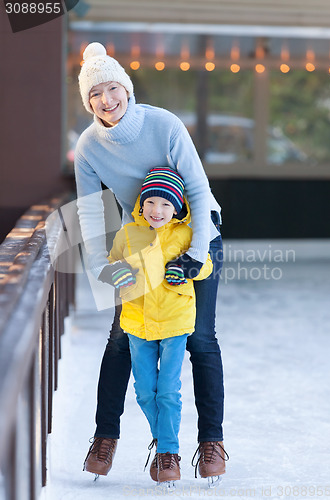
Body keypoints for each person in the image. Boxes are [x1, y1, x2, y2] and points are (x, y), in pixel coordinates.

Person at [75, 41, 228, 484]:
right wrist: (107, 268)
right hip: (139, 242)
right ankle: (105, 436)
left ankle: (211, 441)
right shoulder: (88, 146)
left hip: (197, 234)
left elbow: (198, 193)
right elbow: (90, 213)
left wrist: (195, 254)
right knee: (122, 337)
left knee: (199, 338)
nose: (107, 100)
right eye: (95, 94)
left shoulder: (164, 125)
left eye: (112, 89)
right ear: (88, 102)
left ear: (127, 87)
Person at [105, 167, 212, 485]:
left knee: (167, 390)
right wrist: (117, 273)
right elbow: (110, 264)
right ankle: (163, 438)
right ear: (140, 204)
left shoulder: (186, 235)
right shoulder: (127, 234)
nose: (157, 210)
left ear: (177, 208)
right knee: (142, 391)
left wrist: (187, 268)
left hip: (174, 321)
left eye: (166, 205)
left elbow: (204, 265)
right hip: (137, 323)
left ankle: (168, 452)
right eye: (151, 202)